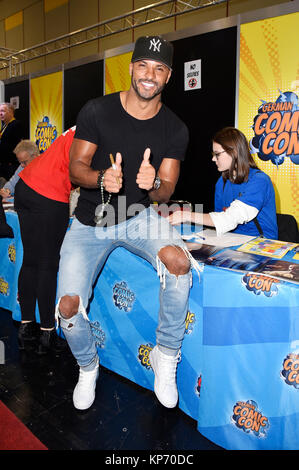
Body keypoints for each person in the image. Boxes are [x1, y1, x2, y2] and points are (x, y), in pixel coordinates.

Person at [55, 35, 194, 411]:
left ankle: (166, 356)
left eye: (160, 69)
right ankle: (88, 367)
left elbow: (166, 192)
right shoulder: (97, 111)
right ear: (132, 67)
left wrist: (153, 186)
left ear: (168, 77)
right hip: (89, 221)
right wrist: (101, 178)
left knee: (179, 264)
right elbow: (75, 168)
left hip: (136, 216)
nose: (150, 75)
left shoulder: (175, 129)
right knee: (67, 308)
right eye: (144, 65)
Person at [14, 127, 76, 354]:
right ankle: (47, 332)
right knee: (47, 264)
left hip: (26, 187)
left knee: (30, 260)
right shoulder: (96, 132)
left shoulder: (75, 130)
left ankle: (25, 327)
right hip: (49, 193)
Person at [169, 127, 278, 239]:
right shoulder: (222, 182)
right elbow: (219, 220)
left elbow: (229, 219)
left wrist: (185, 215)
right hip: (232, 242)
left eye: (217, 154)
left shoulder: (260, 181)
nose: (213, 159)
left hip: (261, 245)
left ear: (234, 152)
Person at [0, 103, 23, 182]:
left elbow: (18, 145)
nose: (0, 113)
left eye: (3, 111)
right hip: (3, 164)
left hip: (11, 165)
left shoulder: (16, 125)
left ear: (10, 112)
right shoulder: (4, 126)